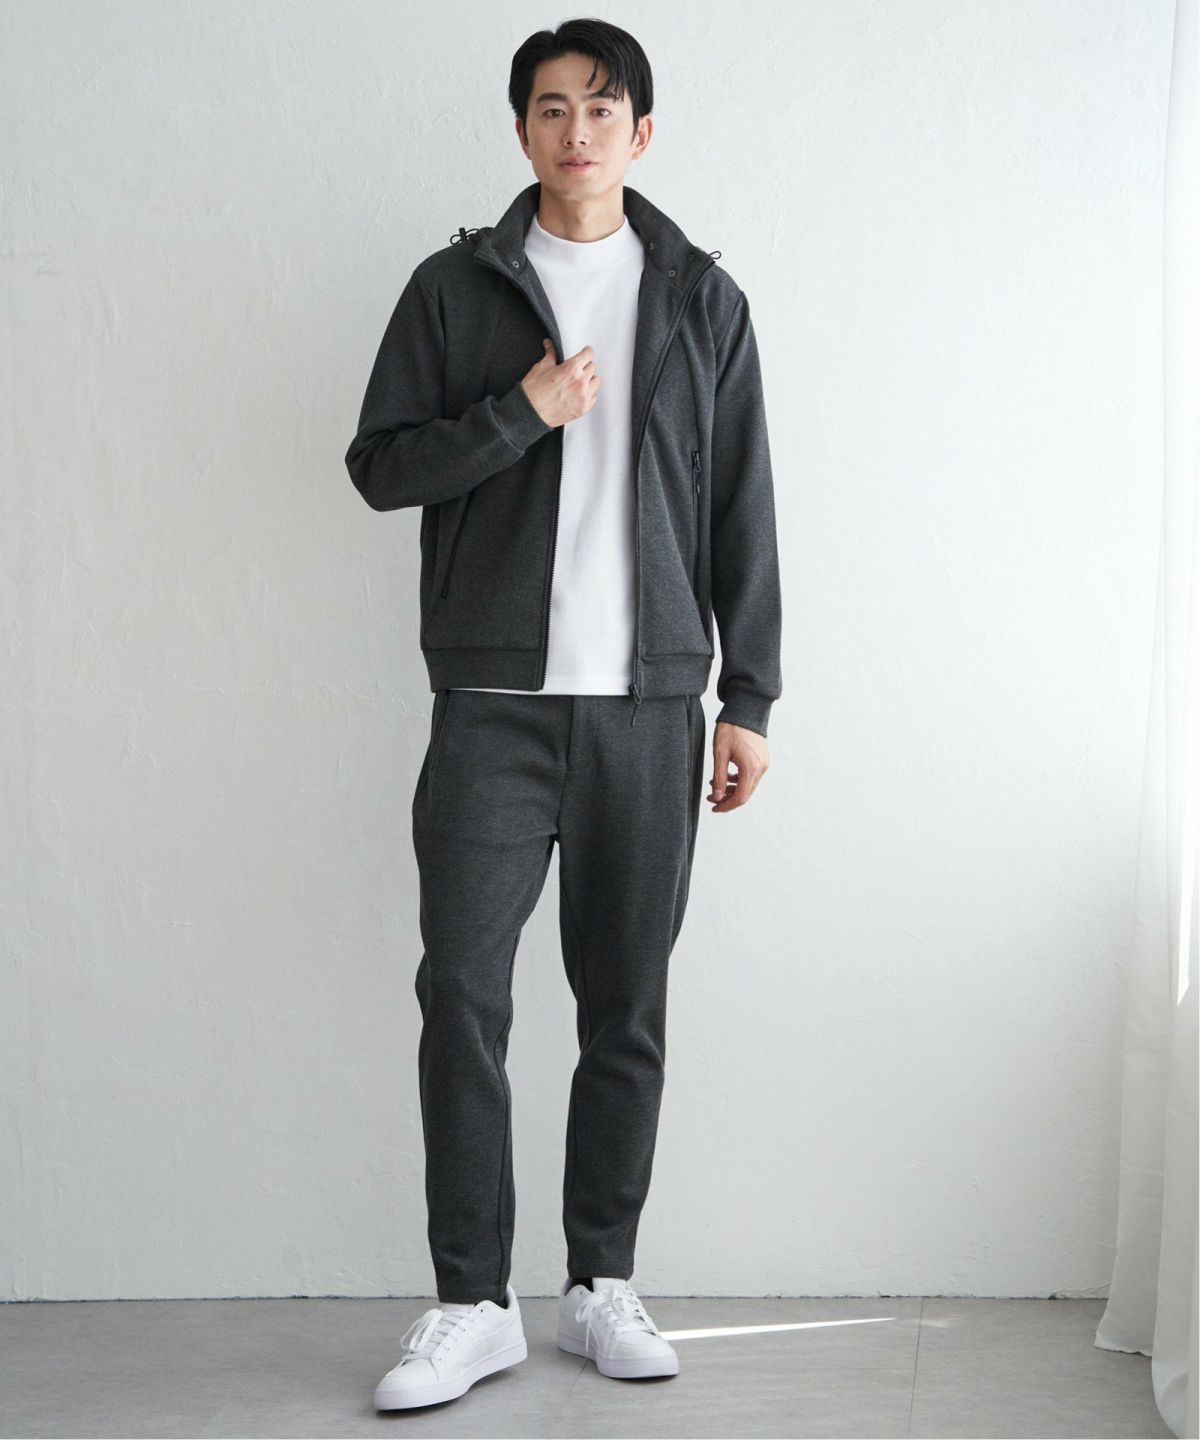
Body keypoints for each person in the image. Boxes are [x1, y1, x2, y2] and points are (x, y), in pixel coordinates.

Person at [345, 16, 782, 1411]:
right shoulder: (452, 291)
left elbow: (742, 505)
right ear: (522, 130)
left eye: (601, 108)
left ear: (640, 133)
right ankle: (473, 1301)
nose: (576, 130)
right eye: (551, 107)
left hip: (651, 710)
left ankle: (601, 1282)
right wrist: (518, 414)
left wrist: (749, 694)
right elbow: (379, 467)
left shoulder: (702, 299)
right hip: (491, 707)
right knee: (462, 995)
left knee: (625, 1002)